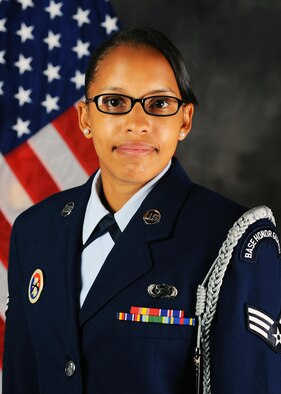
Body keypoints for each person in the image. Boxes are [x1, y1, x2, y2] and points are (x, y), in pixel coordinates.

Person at [3, 27, 281, 394]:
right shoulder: (34, 231)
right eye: (115, 102)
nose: (137, 122)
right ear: (85, 118)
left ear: (184, 120)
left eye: (159, 103)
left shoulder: (231, 239)